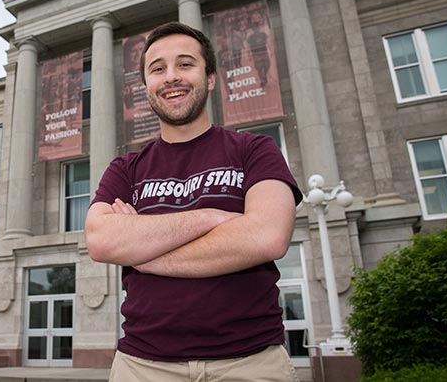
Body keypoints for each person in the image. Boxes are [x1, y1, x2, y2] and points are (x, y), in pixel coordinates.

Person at [85, 22, 303, 382]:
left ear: (211, 78)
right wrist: (214, 218)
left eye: (185, 64)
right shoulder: (126, 168)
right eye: (157, 69)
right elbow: (101, 240)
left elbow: (267, 236)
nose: (171, 77)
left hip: (250, 364)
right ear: (147, 88)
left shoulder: (255, 150)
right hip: (143, 367)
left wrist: (141, 251)